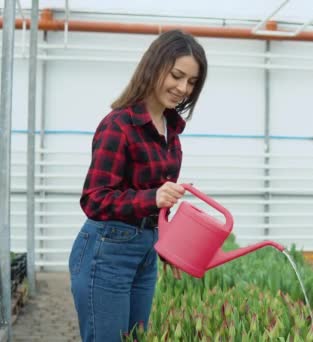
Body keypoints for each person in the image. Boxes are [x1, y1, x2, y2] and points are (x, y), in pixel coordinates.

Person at [68, 29, 208, 342]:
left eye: (192, 82)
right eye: (177, 75)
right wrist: (152, 197)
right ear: (154, 66)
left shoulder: (171, 131)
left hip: (145, 250)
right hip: (107, 253)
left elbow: (157, 201)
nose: (183, 88)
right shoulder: (119, 125)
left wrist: (168, 244)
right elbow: (94, 199)